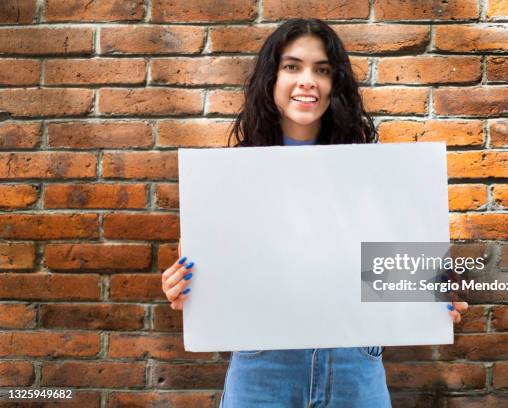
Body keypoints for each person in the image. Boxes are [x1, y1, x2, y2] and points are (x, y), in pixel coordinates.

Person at [161, 18, 468, 407]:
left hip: (353, 363)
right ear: (271, 79)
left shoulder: (372, 172)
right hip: (262, 368)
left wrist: (433, 294)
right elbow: (203, 266)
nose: (307, 80)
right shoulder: (230, 176)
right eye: (292, 67)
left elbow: (387, 268)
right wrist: (184, 288)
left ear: (334, 85)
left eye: (322, 70)